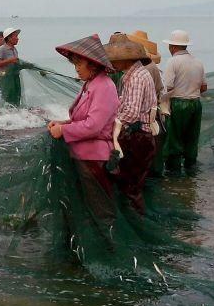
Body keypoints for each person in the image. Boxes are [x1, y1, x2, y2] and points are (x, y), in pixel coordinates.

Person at [48, 34, 119, 226]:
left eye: (79, 64)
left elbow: (94, 126)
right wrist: (62, 123)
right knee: (87, 206)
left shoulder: (104, 86)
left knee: (100, 209)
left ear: (93, 64)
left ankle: (107, 248)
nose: (76, 68)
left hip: (95, 159)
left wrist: (64, 131)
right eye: (75, 64)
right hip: (83, 156)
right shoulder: (90, 84)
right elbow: (81, 119)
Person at [104, 33, 158, 215]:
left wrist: (111, 124)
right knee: (132, 183)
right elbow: (126, 103)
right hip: (143, 135)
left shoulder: (135, 78)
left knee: (130, 185)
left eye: (115, 59)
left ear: (125, 59)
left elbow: (131, 113)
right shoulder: (136, 73)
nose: (113, 63)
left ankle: (136, 222)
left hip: (138, 137)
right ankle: (135, 217)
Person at [160, 30, 207, 171]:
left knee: (174, 139)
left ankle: (174, 174)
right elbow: (204, 87)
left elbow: (168, 87)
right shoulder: (198, 62)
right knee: (192, 139)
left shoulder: (172, 62)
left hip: (178, 103)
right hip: (195, 103)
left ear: (173, 47)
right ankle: (190, 170)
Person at [128, 30, 165, 176]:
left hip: (148, 116)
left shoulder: (145, 70)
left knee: (148, 152)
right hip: (154, 113)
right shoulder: (152, 67)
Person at [0, 27, 22, 106]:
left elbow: (15, 63)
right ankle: (4, 116)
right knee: (7, 101)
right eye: (15, 36)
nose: (17, 38)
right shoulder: (2, 49)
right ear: (9, 38)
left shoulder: (15, 49)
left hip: (15, 78)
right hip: (5, 79)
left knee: (16, 99)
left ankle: (16, 115)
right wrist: (9, 61)